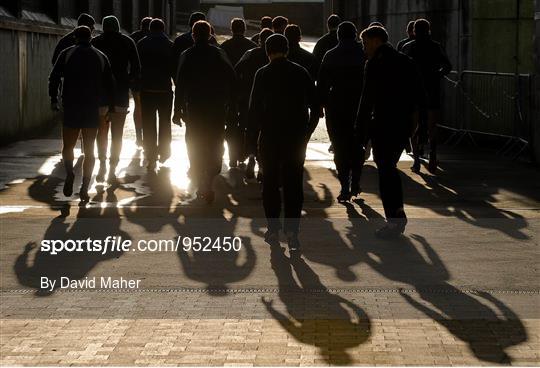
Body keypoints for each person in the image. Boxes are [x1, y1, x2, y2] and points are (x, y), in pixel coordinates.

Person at [249, 33, 319, 251]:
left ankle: (272, 228)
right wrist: (307, 133)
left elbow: (253, 111)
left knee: (269, 183)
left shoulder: (262, 73)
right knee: (293, 184)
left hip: (269, 136)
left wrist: (252, 142)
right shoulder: (301, 72)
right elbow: (316, 107)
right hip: (295, 137)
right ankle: (293, 232)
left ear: (267, 51)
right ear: (287, 49)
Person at [355, 25, 423, 239]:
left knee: (385, 171)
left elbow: (367, 99)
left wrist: (360, 131)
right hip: (402, 124)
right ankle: (397, 214)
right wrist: (416, 123)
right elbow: (419, 93)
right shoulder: (406, 61)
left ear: (375, 41)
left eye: (365, 43)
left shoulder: (374, 64)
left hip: (383, 123)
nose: (364, 48)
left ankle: (394, 218)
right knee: (389, 168)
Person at [49, 26, 114, 201]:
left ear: (76, 38)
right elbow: (110, 83)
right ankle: (85, 186)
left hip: (71, 105)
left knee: (68, 146)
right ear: (91, 37)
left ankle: (70, 173)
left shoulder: (66, 53)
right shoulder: (101, 56)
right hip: (92, 107)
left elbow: (54, 77)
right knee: (90, 150)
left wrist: (53, 99)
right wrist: (111, 108)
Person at [173, 20, 236, 204]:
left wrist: (177, 111)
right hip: (216, 108)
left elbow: (180, 85)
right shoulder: (219, 54)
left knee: (194, 142)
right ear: (210, 35)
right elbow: (232, 80)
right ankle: (209, 177)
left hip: (194, 108)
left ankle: (199, 173)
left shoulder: (187, 55)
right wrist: (232, 106)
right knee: (216, 142)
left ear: (193, 35)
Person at [318, 21, 366, 202]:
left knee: (339, 147)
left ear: (338, 35)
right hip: (360, 106)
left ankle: (345, 186)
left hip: (336, 106)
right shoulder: (364, 54)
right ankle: (356, 182)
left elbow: (322, 85)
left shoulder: (330, 55)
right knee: (358, 146)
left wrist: (320, 106)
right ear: (355, 35)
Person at [92, 15, 141, 185]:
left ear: (104, 26)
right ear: (118, 26)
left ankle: (102, 164)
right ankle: (113, 167)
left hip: (101, 93)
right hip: (120, 92)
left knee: (102, 132)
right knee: (117, 133)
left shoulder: (96, 42)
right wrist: (128, 80)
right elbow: (136, 67)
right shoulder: (128, 42)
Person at [402, 18, 452, 174]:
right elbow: (447, 66)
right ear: (429, 30)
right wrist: (437, 75)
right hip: (432, 89)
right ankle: (433, 154)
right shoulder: (436, 47)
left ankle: (416, 160)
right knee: (432, 126)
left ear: (414, 31)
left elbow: (402, 69)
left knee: (413, 127)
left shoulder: (408, 47)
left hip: (414, 91)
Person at [235, 28, 274, 180]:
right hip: (269, 102)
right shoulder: (273, 57)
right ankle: (262, 166)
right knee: (265, 133)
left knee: (250, 130)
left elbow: (236, 70)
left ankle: (251, 156)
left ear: (259, 41)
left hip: (248, 99)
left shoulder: (250, 53)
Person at [137, 18, 174, 171]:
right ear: (163, 29)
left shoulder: (141, 44)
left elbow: (137, 67)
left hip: (147, 90)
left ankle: (151, 155)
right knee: (165, 122)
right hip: (164, 90)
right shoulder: (170, 45)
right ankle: (164, 152)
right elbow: (174, 67)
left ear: (150, 29)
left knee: (148, 123)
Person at [220, 18, 257, 168]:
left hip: (230, 92)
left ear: (231, 29)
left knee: (231, 124)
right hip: (247, 91)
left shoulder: (224, 47)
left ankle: (232, 156)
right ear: (245, 29)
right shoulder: (252, 47)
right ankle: (246, 153)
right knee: (247, 124)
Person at [129, 17, 153, 146]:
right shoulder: (153, 39)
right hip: (150, 79)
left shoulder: (133, 37)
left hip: (136, 78)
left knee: (138, 107)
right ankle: (150, 134)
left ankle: (139, 135)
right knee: (150, 108)